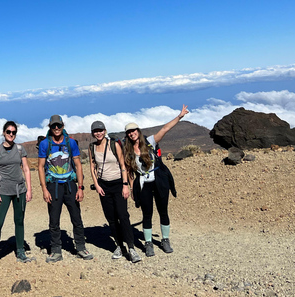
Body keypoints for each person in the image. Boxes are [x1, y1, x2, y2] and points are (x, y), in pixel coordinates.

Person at [121, 105, 188, 257]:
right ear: (127, 135)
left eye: (134, 131)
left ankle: (165, 240)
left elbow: (164, 129)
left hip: (159, 180)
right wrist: (132, 189)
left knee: (163, 211)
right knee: (147, 214)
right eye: (129, 132)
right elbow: (130, 172)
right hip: (143, 184)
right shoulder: (128, 152)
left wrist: (179, 116)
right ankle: (148, 243)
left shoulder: (150, 141)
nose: (132, 134)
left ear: (138, 131)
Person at [37, 115, 93, 262]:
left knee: (76, 217)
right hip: (53, 186)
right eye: (54, 126)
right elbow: (41, 167)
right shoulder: (44, 144)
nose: (56, 128)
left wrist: (80, 187)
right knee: (54, 220)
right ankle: (56, 250)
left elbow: (78, 165)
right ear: (50, 127)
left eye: (59, 126)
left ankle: (80, 247)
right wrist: (44, 189)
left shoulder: (71, 143)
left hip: (70, 185)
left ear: (63, 126)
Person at [88, 120, 141, 263]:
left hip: (118, 183)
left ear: (105, 131)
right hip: (103, 186)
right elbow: (92, 166)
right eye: (95, 131)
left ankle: (131, 247)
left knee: (123, 216)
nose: (98, 133)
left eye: (100, 130)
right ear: (93, 133)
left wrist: (125, 185)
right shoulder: (92, 147)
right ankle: (119, 245)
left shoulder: (114, 144)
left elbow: (123, 165)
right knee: (111, 218)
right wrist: (97, 185)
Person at [0, 121, 34, 265]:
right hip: (3, 191)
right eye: (8, 132)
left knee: (19, 221)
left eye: (13, 132)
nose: (11, 134)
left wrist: (29, 189)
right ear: (4, 132)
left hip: (19, 190)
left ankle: (20, 251)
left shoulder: (20, 149)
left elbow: (26, 169)